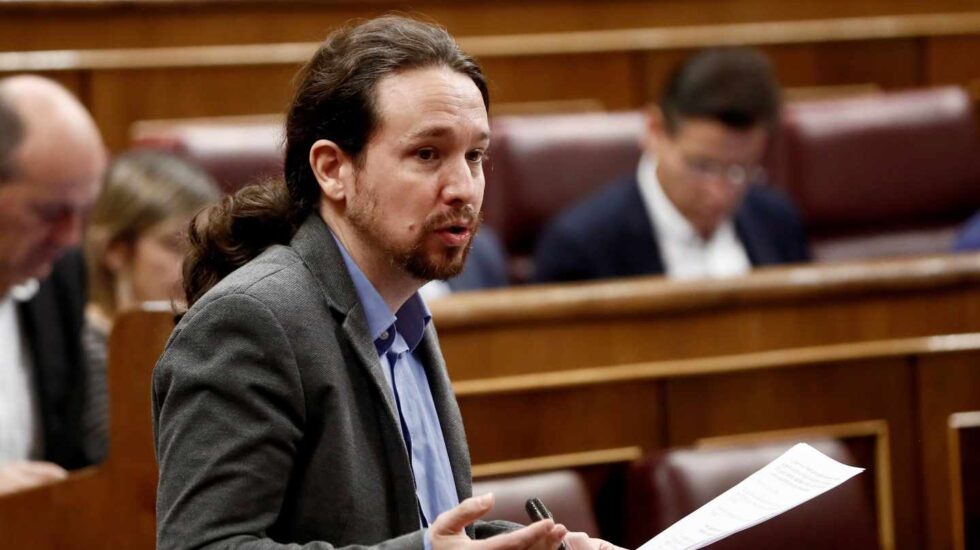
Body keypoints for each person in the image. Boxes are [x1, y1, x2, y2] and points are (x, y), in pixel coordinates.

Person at [152, 16, 621, 550]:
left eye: (475, 156)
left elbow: (408, 527)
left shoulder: (404, 312)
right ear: (333, 170)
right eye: (427, 155)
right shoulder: (250, 321)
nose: (464, 188)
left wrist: (531, 545)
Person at [533, 48, 810, 283]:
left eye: (741, 170)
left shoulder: (778, 221)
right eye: (702, 166)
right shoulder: (580, 246)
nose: (720, 193)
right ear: (655, 130)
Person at [0, 75, 107, 494]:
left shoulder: (61, 276)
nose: (69, 239)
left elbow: (71, 452)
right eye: (50, 212)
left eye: (83, 214)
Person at [81, 150, 221, 463]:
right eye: (173, 245)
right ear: (115, 250)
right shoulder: (77, 350)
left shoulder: (208, 334)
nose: (193, 264)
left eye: (203, 244)